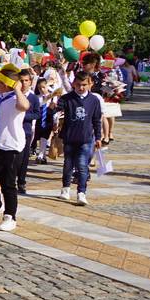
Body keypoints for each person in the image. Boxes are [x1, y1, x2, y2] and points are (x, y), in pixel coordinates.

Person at [0, 64, 29, 232]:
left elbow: (24, 106)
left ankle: (10, 216)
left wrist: (17, 89)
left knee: (8, 184)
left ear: (6, 83)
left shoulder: (16, 99)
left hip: (11, 147)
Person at [58, 71, 102, 206]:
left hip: (86, 138)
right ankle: (65, 188)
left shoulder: (94, 100)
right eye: (78, 85)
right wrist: (54, 108)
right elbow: (57, 111)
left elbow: (96, 120)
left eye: (84, 85)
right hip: (70, 137)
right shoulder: (67, 98)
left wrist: (99, 137)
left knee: (83, 166)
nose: (81, 88)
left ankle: (81, 192)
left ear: (90, 84)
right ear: (73, 84)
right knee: (68, 165)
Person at [15, 68, 40, 193]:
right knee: (15, 157)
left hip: (26, 131)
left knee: (24, 158)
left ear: (30, 82)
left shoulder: (33, 98)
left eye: (26, 80)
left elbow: (37, 114)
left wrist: (25, 116)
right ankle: (12, 179)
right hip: (14, 130)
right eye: (21, 80)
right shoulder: (14, 95)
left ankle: (21, 181)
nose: (24, 83)